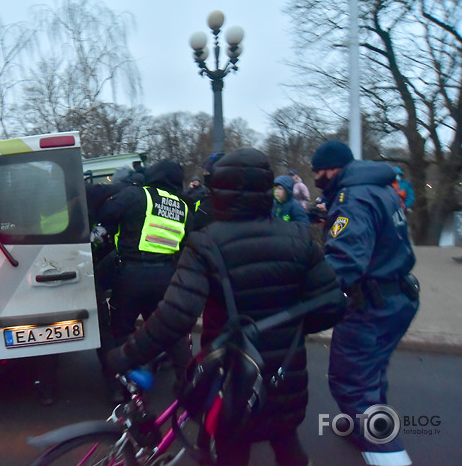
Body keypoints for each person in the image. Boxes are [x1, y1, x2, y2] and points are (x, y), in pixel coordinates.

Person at [107, 148, 346, 466]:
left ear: (218, 190)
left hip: (231, 376)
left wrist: (125, 355)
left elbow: (175, 317)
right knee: (287, 442)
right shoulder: (300, 237)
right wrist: (289, 325)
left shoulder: (206, 243)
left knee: (232, 449)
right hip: (284, 373)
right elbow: (332, 306)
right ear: (266, 190)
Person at [310, 140, 419, 466]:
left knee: (353, 383)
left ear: (333, 169)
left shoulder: (352, 199)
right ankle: (369, 423)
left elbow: (344, 261)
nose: (317, 177)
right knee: (371, 371)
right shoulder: (379, 188)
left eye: (319, 172)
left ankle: (388, 454)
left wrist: (309, 294)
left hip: (372, 304)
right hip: (397, 295)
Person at [98, 159, 192, 403]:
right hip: (166, 275)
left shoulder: (137, 195)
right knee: (168, 328)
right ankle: (188, 380)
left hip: (131, 275)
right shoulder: (182, 204)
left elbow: (106, 214)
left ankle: (125, 386)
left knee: (122, 329)